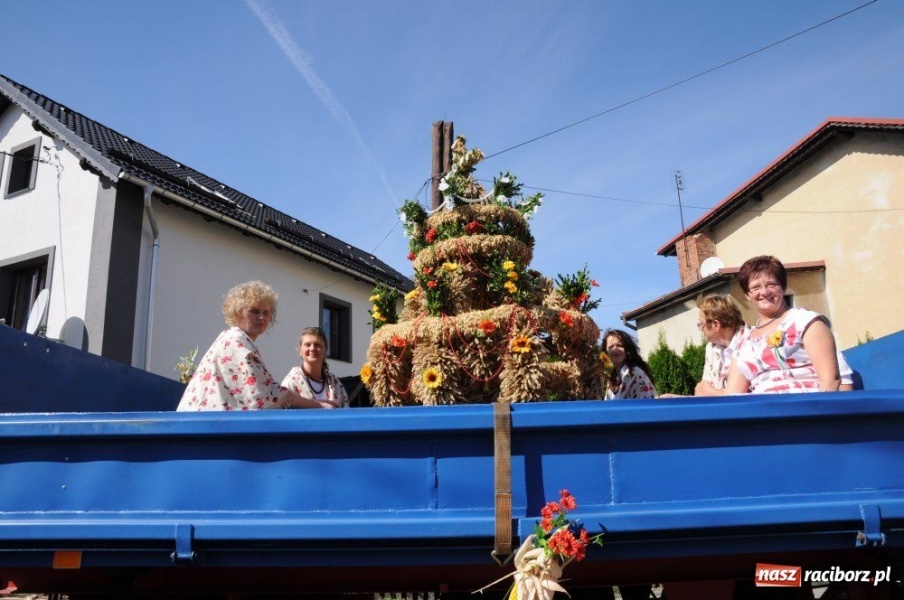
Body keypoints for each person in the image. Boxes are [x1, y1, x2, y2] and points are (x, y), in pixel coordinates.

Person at [177, 281, 326, 411]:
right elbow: (263, 396)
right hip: (202, 431)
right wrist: (319, 406)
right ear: (237, 313)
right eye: (254, 311)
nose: (262, 317)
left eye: (266, 313)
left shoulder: (238, 339)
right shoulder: (235, 342)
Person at [725, 256, 841, 394]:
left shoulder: (805, 321)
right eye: (756, 287)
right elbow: (733, 395)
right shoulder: (743, 344)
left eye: (771, 284)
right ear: (747, 295)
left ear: (783, 287)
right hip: (762, 411)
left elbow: (830, 380)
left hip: (805, 406)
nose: (764, 292)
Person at [694, 294, 751, 396]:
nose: (700, 329)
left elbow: (744, 397)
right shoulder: (711, 348)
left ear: (715, 325)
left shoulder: (750, 342)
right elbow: (701, 391)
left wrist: (711, 392)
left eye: (701, 324)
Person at [281, 326, 350, 409]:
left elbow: (346, 411)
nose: (312, 348)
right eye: (307, 345)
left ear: (325, 351)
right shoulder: (291, 382)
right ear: (300, 350)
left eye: (317, 345)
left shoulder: (334, 383)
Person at [602, 329, 657, 399]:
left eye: (619, 345)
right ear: (606, 352)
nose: (615, 349)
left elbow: (646, 405)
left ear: (627, 349)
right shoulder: (612, 380)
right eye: (611, 347)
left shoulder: (636, 374)